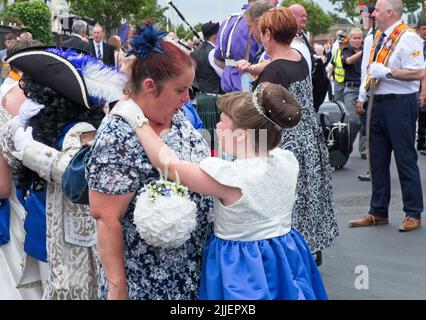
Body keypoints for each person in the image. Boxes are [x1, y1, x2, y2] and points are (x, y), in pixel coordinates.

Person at [112, 82, 328, 300]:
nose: (216, 127)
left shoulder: (232, 178)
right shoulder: (286, 160)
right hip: (285, 252)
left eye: (222, 124)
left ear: (242, 135)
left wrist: (137, 121)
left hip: (243, 264)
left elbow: (170, 165)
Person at [86, 24, 214, 300]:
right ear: (149, 86)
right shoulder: (117, 134)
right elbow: (107, 218)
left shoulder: (176, 116)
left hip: (193, 276)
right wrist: (117, 288)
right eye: (181, 89)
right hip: (146, 283)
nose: (187, 98)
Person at [4, 46, 126, 299]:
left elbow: (77, 174)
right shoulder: (41, 125)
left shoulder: (80, 129)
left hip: (67, 245)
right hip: (39, 234)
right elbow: (9, 146)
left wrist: (31, 150)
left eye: (35, 95)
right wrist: (18, 126)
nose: (29, 101)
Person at [251, 7, 338, 265]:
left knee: (289, 205)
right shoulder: (298, 59)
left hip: (287, 144)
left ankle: (293, 263)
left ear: (268, 33)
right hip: (309, 140)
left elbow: (258, 115)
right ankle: (308, 252)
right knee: (306, 202)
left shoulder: (274, 71)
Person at [348, 0, 424, 232]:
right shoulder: (378, 36)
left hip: (400, 104)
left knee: (404, 158)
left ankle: (413, 212)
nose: (373, 13)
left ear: (390, 12)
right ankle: (378, 210)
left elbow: (419, 72)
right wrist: (364, 91)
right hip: (377, 101)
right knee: (377, 159)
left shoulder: (408, 36)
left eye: (377, 10)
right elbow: (370, 68)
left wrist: (389, 72)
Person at [213, 0, 263, 92]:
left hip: (227, 85)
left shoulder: (228, 20)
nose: (275, 1)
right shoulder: (259, 21)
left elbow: (217, 59)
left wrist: (232, 69)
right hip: (249, 87)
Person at [357, 4, 376, 181]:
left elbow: (366, 69)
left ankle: (373, 169)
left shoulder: (371, 37)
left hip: (372, 92)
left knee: (372, 133)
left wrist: (362, 95)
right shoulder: (373, 35)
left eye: (363, 16)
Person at [342, 28, 363, 156]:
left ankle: (364, 149)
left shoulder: (367, 51)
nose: (357, 40)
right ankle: (346, 145)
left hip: (365, 88)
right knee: (354, 120)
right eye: (354, 38)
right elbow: (349, 61)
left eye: (359, 38)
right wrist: (363, 52)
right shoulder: (346, 51)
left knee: (366, 122)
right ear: (350, 40)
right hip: (351, 89)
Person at [417, 18, 426, 154]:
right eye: (424, 28)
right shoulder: (413, 43)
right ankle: (420, 140)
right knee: (419, 111)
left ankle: (423, 141)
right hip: (415, 81)